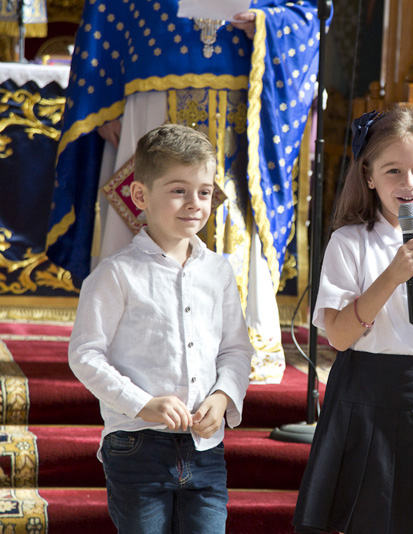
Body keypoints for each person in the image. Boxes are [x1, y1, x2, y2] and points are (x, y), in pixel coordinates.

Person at [48, 0, 326, 384]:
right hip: (151, 78)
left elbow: (305, 12)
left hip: (242, 94)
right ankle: (133, 348)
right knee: (141, 199)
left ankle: (236, 350)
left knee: (229, 210)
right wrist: (101, 99)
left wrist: (268, 23)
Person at [292, 107, 413, 534]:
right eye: (393, 171)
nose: (408, 184)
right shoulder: (349, 243)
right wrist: (391, 275)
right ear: (368, 176)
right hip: (359, 395)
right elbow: (341, 337)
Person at [68, 124, 254, 533]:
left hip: (206, 448)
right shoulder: (115, 274)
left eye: (204, 192)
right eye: (177, 190)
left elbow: (237, 350)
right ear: (140, 195)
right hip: (136, 445)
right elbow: (84, 355)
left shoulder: (219, 272)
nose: (194, 203)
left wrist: (223, 398)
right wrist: (142, 403)